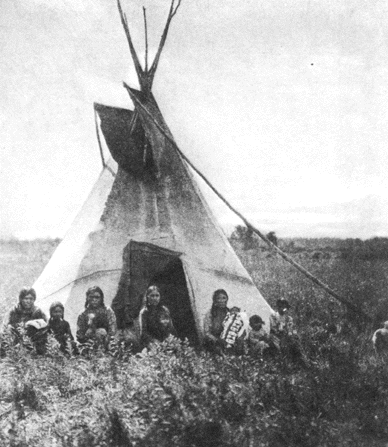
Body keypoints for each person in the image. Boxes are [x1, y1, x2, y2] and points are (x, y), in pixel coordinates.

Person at [0, 287, 48, 355]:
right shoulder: (14, 310)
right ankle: (6, 354)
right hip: (16, 336)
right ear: (21, 299)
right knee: (8, 329)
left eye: (31, 299)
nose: (28, 301)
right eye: (26, 298)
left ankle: (39, 354)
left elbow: (46, 323)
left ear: (34, 299)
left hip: (32, 338)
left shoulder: (37, 311)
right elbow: (6, 325)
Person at [203, 289, 230, 353]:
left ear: (227, 300)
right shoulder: (210, 314)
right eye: (218, 298)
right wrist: (216, 340)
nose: (221, 301)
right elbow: (207, 332)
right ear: (215, 301)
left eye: (224, 298)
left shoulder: (230, 313)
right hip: (215, 340)